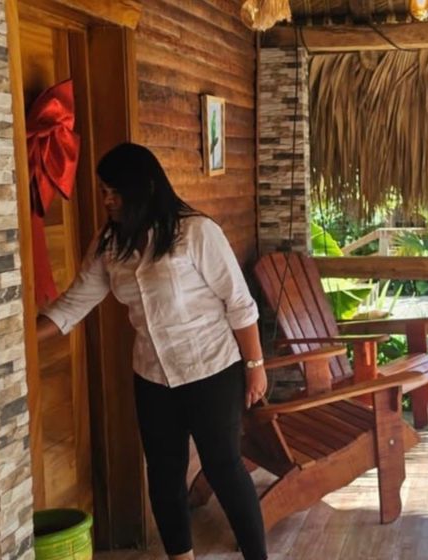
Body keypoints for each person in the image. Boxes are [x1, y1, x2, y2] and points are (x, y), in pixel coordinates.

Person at [36, 142, 268, 560]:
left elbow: (239, 303)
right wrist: (19, 338)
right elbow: (74, 303)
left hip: (211, 368)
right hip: (152, 376)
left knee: (224, 468)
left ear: (144, 187)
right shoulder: (111, 244)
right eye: (104, 191)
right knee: (163, 475)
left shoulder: (195, 233)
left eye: (115, 191)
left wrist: (255, 365)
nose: (108, 200)